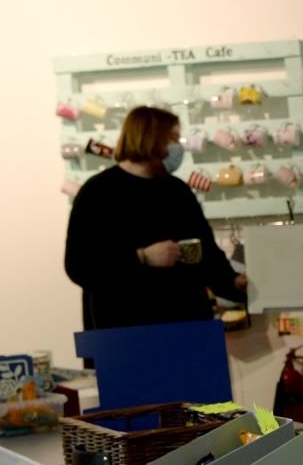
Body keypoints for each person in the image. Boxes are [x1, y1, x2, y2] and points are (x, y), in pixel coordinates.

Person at [63, 105, 246, 330]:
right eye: (173, 139)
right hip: (123, 328)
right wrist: (142, 257)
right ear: (150, 138)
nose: (178, 147)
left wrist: (232, 282)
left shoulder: (177, 191)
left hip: (186, 321)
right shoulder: (98, 192)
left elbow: (204, 251)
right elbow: (79, 266)